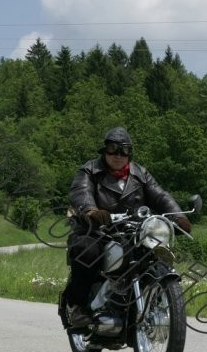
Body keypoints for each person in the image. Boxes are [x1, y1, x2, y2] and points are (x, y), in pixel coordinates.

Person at [63, 126, 192, 327]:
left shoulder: (140, 173)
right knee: (86, 251)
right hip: (96, 230)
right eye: (112, 149)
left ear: (130, 153)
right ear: (104, 150)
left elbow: (160, 195)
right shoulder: (90, 171)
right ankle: (77, 306)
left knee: (156, 254)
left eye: (124, 150)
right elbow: (81, 192)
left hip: (133, 231)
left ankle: (154, 301)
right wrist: (91, 212)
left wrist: (178, 216)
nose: (118, 155)